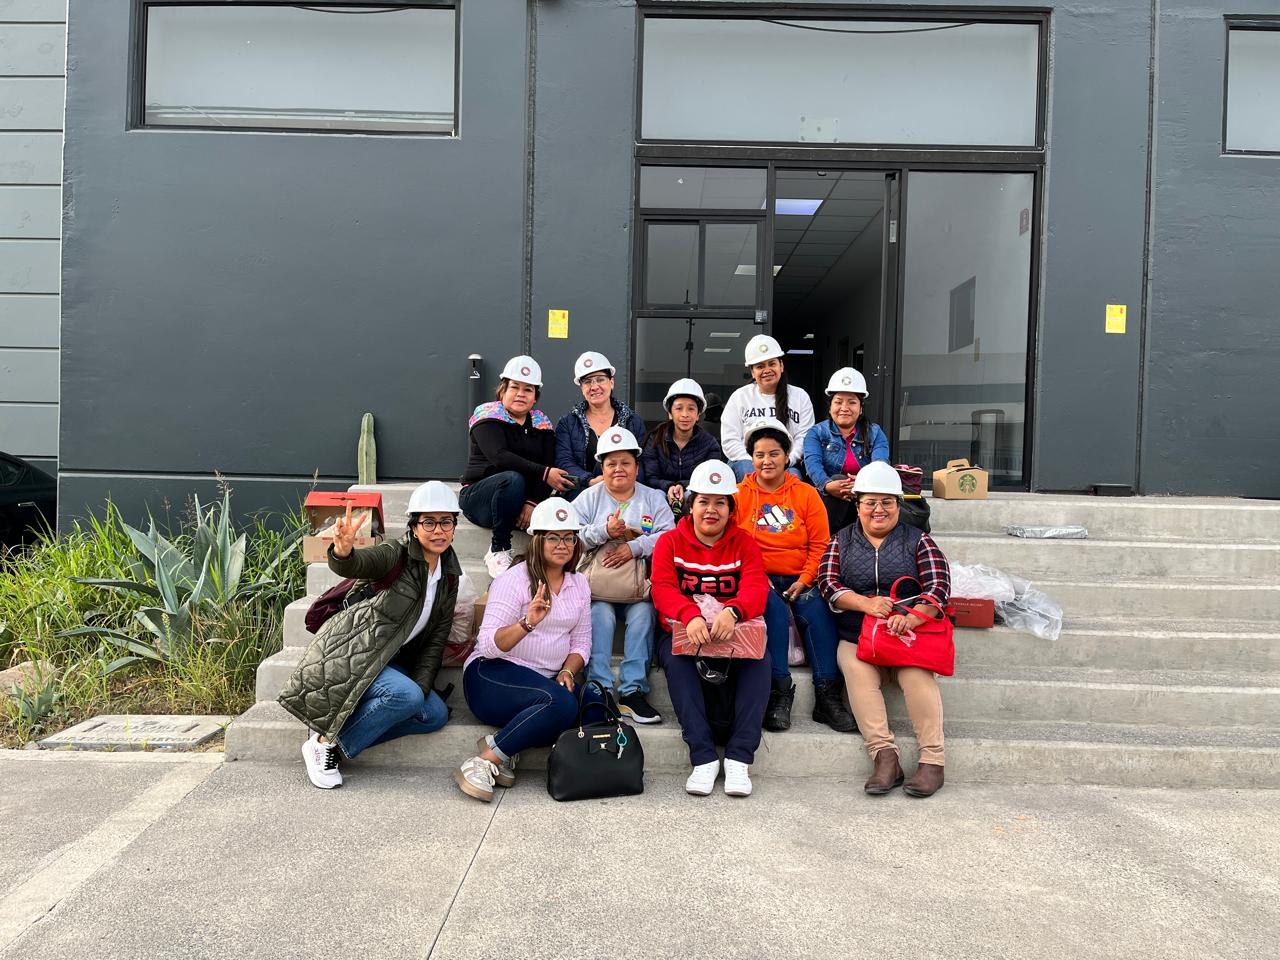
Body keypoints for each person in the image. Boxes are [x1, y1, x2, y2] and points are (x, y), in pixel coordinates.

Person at [281, 482, 463, 790]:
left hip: (391, 660)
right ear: (414, 527)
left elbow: (435, 640)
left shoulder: (448, 575)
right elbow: (361, 563)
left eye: (446, 521)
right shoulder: (396, 553)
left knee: (433, 714)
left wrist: (420, 689)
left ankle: (334, 744)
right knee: (406, 696)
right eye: (428, 522)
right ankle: (323, 741)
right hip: (357, 651)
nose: (438, 530)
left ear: (455, 527)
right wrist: (343, 551)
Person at [816, 461, 952, 798]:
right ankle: (884, 757)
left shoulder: (919, 541)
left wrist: (913, 617)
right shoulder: (841, 541)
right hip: (857, 634)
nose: (879, 510)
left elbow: (939, 587)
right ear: (857, 505)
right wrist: (866, 604)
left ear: (898, 504)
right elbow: (828, 583)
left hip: (908, 634)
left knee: (917, 677)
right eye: (870, 502)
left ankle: (933, 761)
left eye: (887, 502)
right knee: (855, 670)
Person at [455, 497, 601, 802]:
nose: (562, 544)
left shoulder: (579, 584)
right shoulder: (514, 580)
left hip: (547, 681)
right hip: (492, 675)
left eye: (569, 538)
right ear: (537, 541)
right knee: (561, 705)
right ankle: (484, 760)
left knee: (591, 706)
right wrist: (528, 623)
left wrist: (567, 670)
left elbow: (581, 642)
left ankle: (504, 742)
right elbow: (489, 645)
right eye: (552, 537)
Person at [652, 460, 770, 798]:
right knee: (676, 662)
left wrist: (733, 611)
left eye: (720, 502)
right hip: (681, 631)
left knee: (760, 661)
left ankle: (738, 757)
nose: (711, 510)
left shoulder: (744, 542)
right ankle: (703, 757)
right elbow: (662, 587)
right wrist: (689, 615)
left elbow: (756, 588)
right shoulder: (670, 542)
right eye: (704, 501)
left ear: (731, 508)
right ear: (691, 504)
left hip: (734, 632)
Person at [735, 419, 856, 735]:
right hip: (756, 575)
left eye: (774, 453)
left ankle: (827, 695)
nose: (767, 461)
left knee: (817, 612)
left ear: (787, 457)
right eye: (760, 454)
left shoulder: (805, 494)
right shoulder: (738, 495)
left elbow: (821, 545)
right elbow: (733, 544)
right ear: (751, 457)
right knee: (772, 610)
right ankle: (779, 691)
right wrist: (757, 577)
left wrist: (805, 578)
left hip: (802, 575)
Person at [573, 427, 675, 724]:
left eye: (625, 463)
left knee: (644, 615)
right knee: (599, 616)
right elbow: (569, 539)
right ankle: (599, 688)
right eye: (611, 463)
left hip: (638, 586)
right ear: (602, 467)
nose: (618, 469)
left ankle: (632, 692)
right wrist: (604, 531)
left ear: (637, 467)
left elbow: (670, 537)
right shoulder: (588, 498)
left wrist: (635, 547)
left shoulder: (654, 498)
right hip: (598, 586)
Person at [460, 355, 575, 579]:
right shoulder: (487, 415)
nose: (521, 394)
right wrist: (543, 473)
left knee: (561, 502)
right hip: (481, 499)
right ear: (503, 390)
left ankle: (548, 561)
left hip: (521, 504)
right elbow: (500, 457)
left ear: (535, 397)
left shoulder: (541, 422)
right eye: (515, 387)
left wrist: (533, 502)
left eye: (528, 389)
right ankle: (499, 548)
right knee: (512, 478)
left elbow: (549, 465)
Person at [803, 367, 891, 533]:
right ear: (830, 407)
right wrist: (828, 485)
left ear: (861, 408)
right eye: (838, 402)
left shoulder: (875, 433)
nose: (844, 407)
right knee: (837, 478)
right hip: (828, 500)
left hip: (865, 496)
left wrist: (861, 484)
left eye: (851, 402)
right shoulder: (816, 433)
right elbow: (812, 464)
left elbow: (881, 465)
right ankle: (830, 543)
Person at [720, 334, 815, 481]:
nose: (767, 370)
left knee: (794, 477)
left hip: (786, 463)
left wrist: (787, 460)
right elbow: (730, 440)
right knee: (748, 471)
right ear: (752, 372)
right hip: (746, 461)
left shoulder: (800, 397)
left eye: (772, 364)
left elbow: (804, 437)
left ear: (781, 366)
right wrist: (756, 462)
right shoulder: (739, 397)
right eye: (760, 366)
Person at [554, 351, 647, 495]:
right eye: (587, 381)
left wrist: (618, 485)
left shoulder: (633, 422)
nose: (594, 386)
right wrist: (590, 480)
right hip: (582, 493)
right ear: (581, 388)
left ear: (612, 382)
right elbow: (564, 461)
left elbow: (641, 463)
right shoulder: (567, 423)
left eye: (600, 379)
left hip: (625, 493)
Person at [640, 378, 723, 519]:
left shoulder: (710, 444)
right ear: (670, 413)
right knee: (656, 496)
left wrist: (681, 486)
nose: (685, 414)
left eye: (691, 409)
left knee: (692, 496)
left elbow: (707, 480)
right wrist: (669, 487)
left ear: (698, 415)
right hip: (661, 491)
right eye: (679, 408)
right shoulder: (654, 440)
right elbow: (650, 477)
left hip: (691, 491)